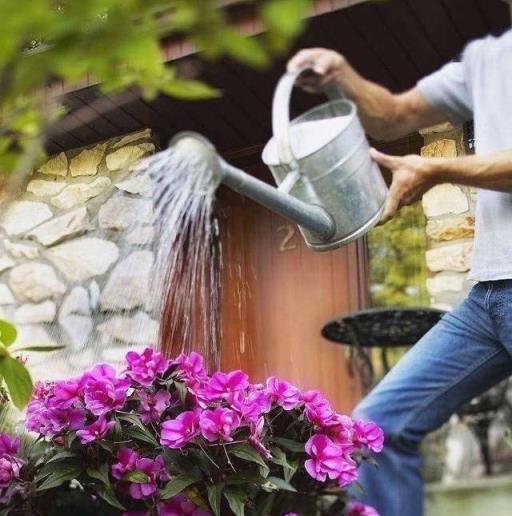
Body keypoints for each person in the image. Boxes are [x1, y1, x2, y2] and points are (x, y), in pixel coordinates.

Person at [288, 28, 512, 516]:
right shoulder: (485, 58)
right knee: (378, 427)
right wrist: (342, 74)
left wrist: (437, 170)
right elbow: (394, 114)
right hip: (490, 297)